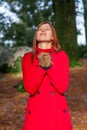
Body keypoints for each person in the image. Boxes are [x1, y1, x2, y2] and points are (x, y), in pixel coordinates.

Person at [22, 21, 73, 130]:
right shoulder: (28, 58)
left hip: (57, 113)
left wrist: (49, 66)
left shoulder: (62, 56)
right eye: (40, 29)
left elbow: (62, 87)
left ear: (52, 37)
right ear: (36, 36)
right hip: (36, 114)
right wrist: (41, 68)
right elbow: (30, 88)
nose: (43, 30)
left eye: (47, 29)